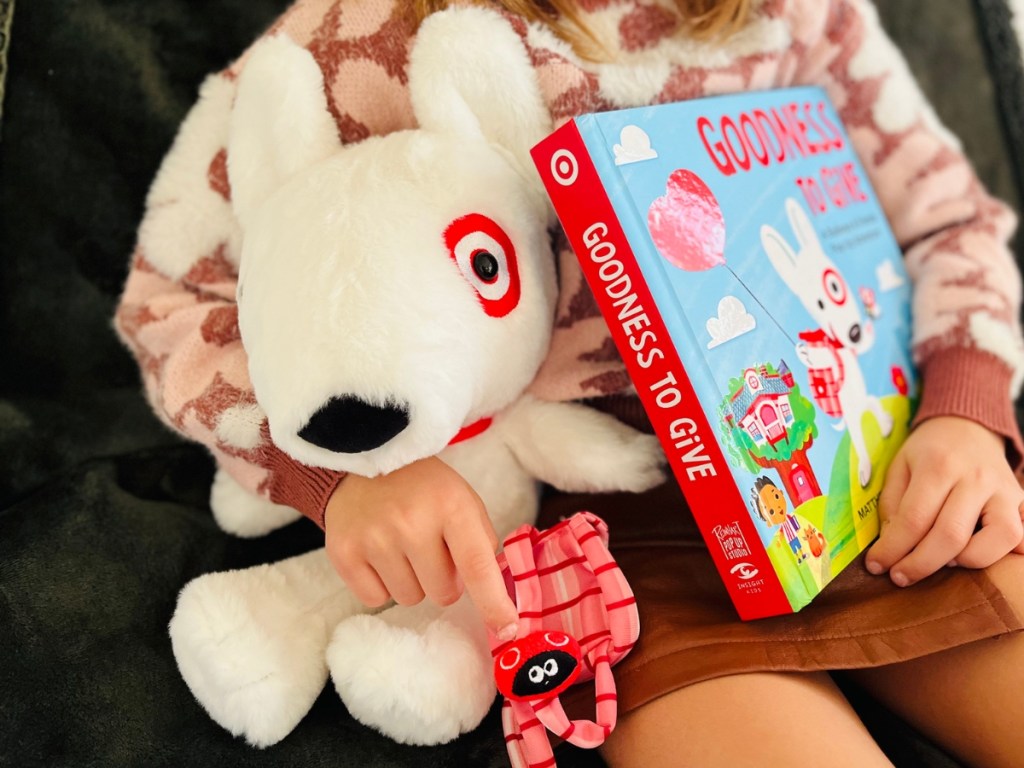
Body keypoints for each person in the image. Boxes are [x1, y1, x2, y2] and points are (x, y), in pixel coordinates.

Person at [114, 0, 1024, 764]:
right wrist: (344, 478)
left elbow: (949, 223)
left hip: (860, 472)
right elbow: (169, 301)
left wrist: (967, 410)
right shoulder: (362, 34)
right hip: (590, 542)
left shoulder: (801, 12)